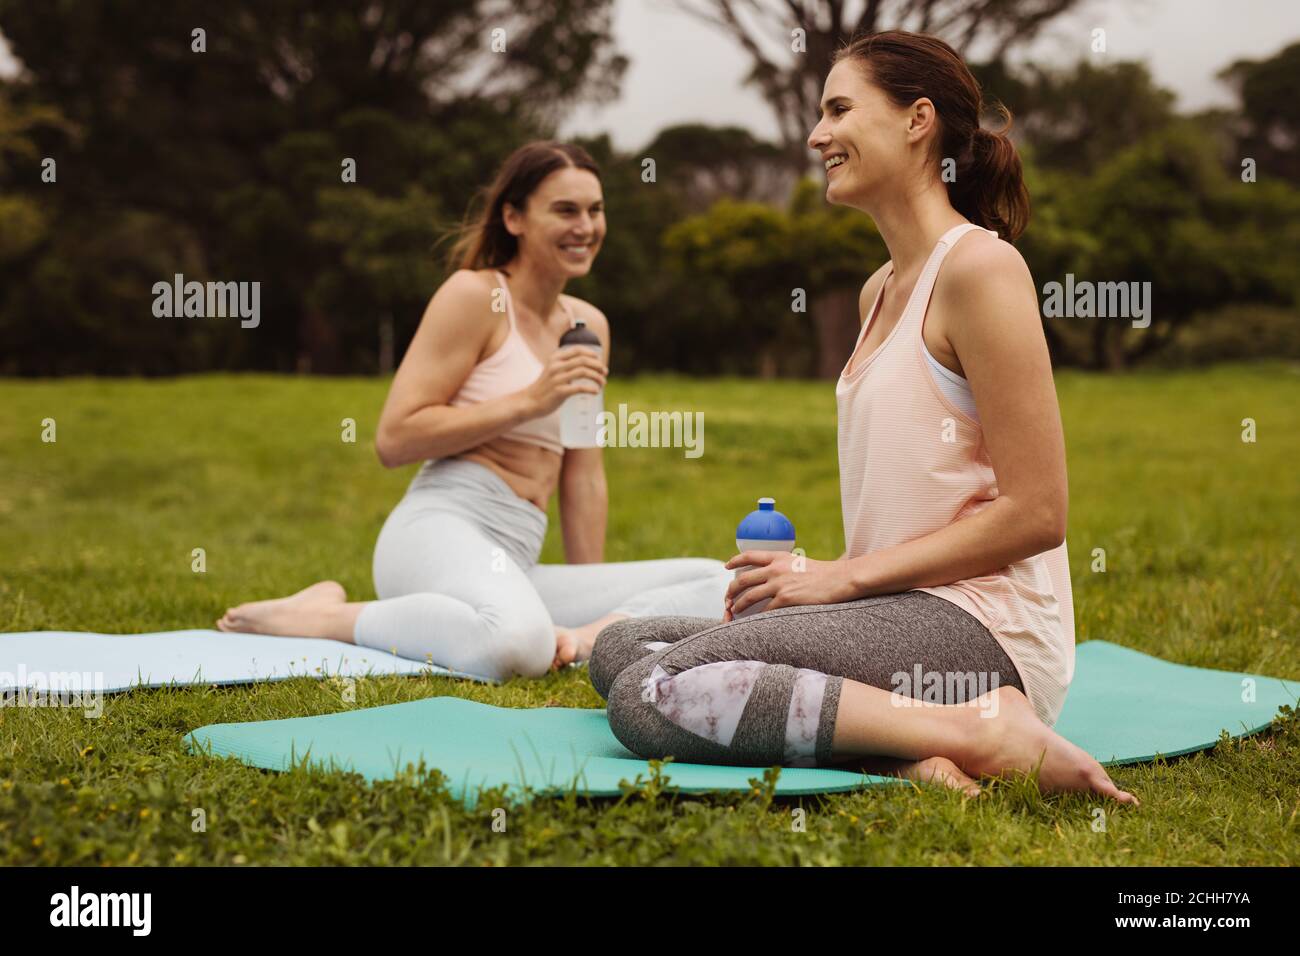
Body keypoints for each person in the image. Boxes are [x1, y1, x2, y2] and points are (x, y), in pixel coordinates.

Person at [590, 32, 1138, 804]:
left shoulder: (980, 268)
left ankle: (982, 728)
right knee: (622, 646)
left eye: (839, 109)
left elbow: (1038, 512)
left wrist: (843, 577)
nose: (817, 135)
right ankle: (905, 754)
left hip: (983, 626)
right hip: (895, 614)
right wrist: (833, 585)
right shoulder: (879, 288)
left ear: (918, 121)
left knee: (650, 693)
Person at [217, 141, 729, 679]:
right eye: (565, 210)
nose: (585, 226)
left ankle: (582, 641)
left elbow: (583, 473)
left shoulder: (589, 326)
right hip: (437, 531)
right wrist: (530, 400)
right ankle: (323, 616)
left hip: (515, 560)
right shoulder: (474, 296)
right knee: (513, 644)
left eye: (594, 210)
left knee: (722, 583)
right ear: (514, 217)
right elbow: (395, 439)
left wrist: (591, 596)